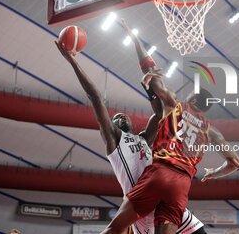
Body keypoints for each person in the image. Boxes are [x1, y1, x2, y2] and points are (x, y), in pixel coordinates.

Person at [100, 22, 239, 234]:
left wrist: (135, 39)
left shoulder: (176, 105)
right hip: (182, 184)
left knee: (115, 228)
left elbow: (151, 72)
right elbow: (235, 163)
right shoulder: (211, 131)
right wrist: (213, 173)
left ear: (192, 98)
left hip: (160, 172)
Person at [55, 41, 206, 234]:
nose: (121, 115)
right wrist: (73, 62)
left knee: (197, 228)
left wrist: (149, 89)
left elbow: (159, 113)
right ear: (112, 126)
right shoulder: (114, 140)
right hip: (141, 207)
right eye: (116, 117)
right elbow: (95, 97)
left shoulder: (143, 138)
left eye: (123, 115)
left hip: (163, 198)